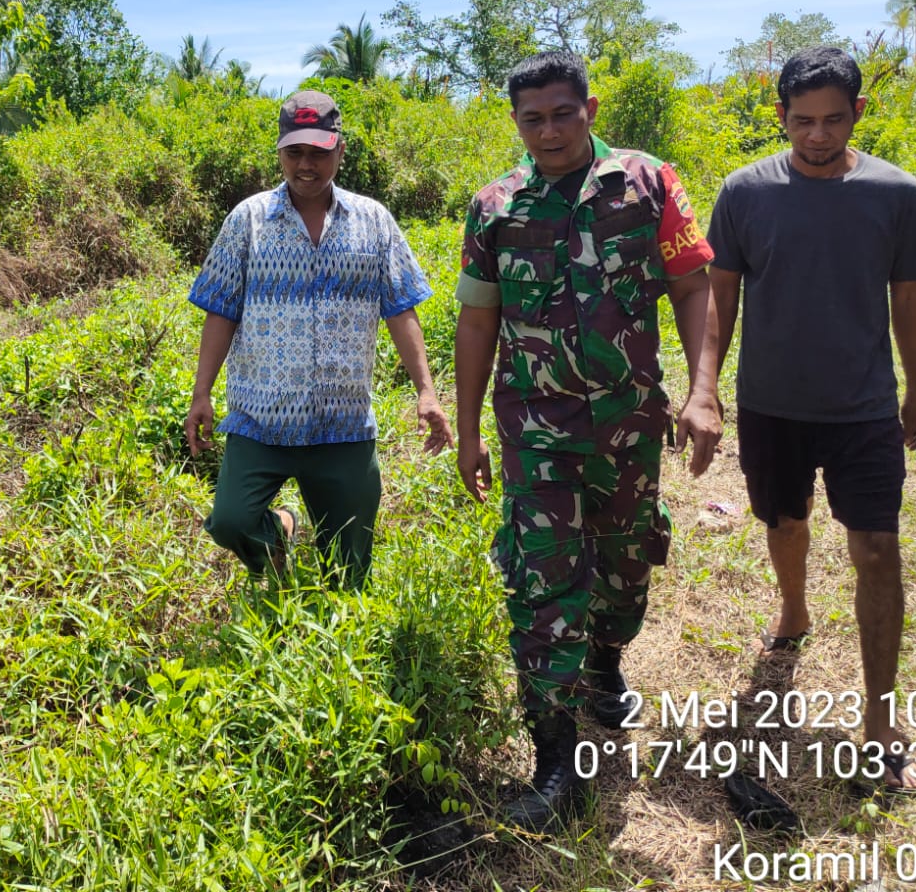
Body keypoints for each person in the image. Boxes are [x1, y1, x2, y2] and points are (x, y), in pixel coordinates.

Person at [454, 50, 721, 830]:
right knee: (542, 586)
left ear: (591, 109)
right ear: (515, 122)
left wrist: (703, 392)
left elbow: (693, 283)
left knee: (626, 562)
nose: (549, 131)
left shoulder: (650, 183)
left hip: (630, 423)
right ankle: (555, 762)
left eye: (562, 113)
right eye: (532, 118)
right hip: (536, 430)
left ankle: (607, 660)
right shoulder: (495, 206)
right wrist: (469, 431)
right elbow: (478, 320)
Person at [705, 44, 916, 795]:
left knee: (876, 549)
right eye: (802, 121)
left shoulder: (894, 194)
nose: (817, 135)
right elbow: (721, 296)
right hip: (771, 402)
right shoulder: (744, 193)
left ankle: (878, 717)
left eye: (833, 120)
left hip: (864, 405)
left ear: (858, 114)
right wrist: (704, 386)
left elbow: (910, 295)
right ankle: (795, 608)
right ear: (780, 116)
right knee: (785, 524)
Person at [184, 90, 453, 590]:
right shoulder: (248, 220)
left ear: (340, 151)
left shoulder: (374, 221)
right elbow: (221, 310)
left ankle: (326, 640)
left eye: (318, 152)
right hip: (261, 418)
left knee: (347, 576)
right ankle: (280, 530)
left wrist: (426, 391)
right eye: (294, 152)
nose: (306, 165)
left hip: (343, 423)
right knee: (231, 522)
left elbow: (400, 309)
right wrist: (201, 393)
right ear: (280, 152)